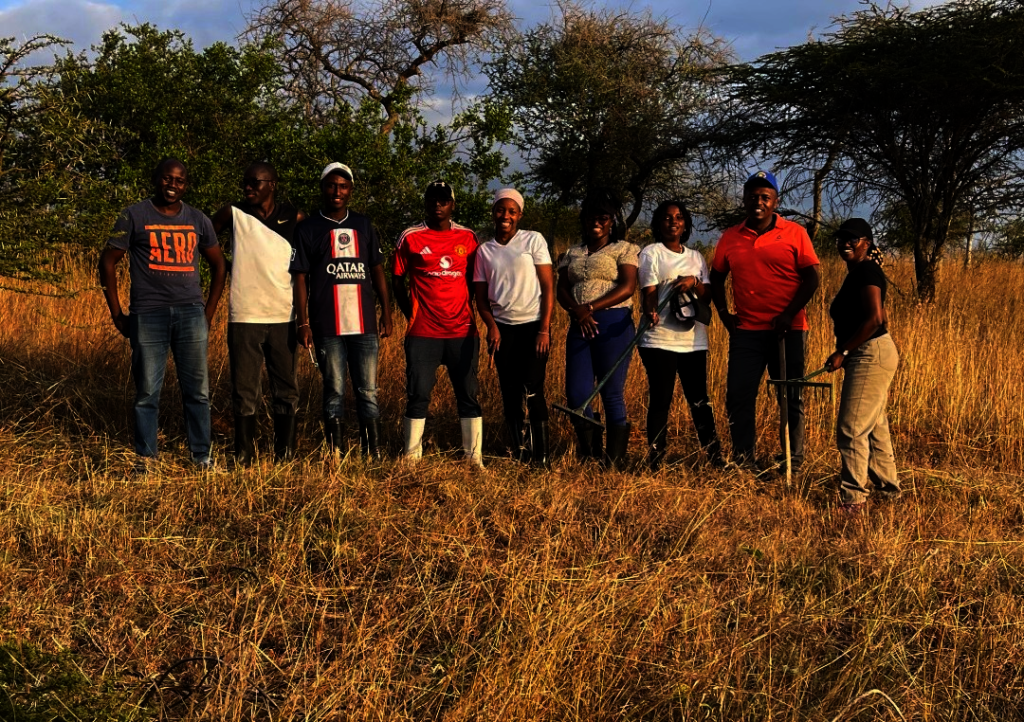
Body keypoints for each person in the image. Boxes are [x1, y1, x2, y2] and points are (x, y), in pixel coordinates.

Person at [98, 157, 227, 471]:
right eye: (167, 178)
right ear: (156, 179)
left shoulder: (198, 219)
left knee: (197, 391)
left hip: (190, 314)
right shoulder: (133, 215)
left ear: (186, 185)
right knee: (146, 392)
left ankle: (202, 457)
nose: (173, 185)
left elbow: (220, 264)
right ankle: (145, 459)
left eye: (180, 180)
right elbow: (107, 262)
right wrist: (117, 314)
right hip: (148, 314)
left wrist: (207, 313)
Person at [710, 171, 820, 472]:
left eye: (765, 197)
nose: (758, 202)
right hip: (747, 331)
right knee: (738, 396)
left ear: (775, 202)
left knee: (790, 396)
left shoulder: (794, 232)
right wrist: (723, 313)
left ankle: (792, 460)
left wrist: (789, 314)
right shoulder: (731, 237)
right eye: (753, 196)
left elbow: (812, 278)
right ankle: (745, 460)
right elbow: (717, 277)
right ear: (744, 200)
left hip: (788, 330)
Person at [290, 162, 393, 458]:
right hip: (327, 325)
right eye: (332, 185)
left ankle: (372, 453)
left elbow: (376, 270)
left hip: (364, 324)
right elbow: (300, 277)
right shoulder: (308, 227)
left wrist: (386, 312)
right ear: (323, 188)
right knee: (334, 389)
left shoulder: (362, 224)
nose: (337, 191)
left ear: (351, 191)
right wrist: (303, 321)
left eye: (343, 186)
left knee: (368, 390)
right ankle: (336, 454)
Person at [211, 162, 304, 466]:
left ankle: (285, 452)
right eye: (245, 183)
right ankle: (243, 452)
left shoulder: (295, 216)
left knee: (285, 387)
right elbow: (202, 241)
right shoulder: (233, 213)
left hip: (283, 315)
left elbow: (309, 261)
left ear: (272, 184)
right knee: (244, 387)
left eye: (255, 182)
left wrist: (306, 316)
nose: (247, 188)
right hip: (245, 314)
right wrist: (222, 265)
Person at [392, 180, 483, 467]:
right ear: (426, 202)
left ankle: (474, 459)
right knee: (418, 393)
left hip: (462, 331)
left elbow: (475, 279)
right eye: (432, 199)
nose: (438, 205)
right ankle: (411, 458)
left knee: (468, 393)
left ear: (452, 205)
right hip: (423, 333)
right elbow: (397, 279)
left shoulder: (468, 237)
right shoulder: (411, 237)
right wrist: (411, 313)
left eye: (443, 200)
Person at [556, 189, 639, 469]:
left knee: (611, 390)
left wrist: (591, 308)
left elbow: (628, 286)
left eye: (603, 217)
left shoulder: (624, 249)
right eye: (591, 217)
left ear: (612, 221)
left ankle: (614, 461)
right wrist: (577, 310)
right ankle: (590, 453)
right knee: (577, 393)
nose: (597, 222)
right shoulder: (573, 252)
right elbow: (562, 289)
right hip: (579, 323)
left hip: (613, 323)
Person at [637, 200, 723, 471]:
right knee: (660, 399)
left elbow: (707, 295)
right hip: (659, 338)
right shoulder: (651, 253)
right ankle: (656, 460)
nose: (673, 222)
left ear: (685, 224)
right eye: (666, 217)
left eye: (678, 218)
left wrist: (693, 282)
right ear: (658, 223)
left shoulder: (696, 257)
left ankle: (714, 457)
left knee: (699, 400)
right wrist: (650, 311)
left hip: (693, 341)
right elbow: (648, 295)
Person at [474, 188, 554, 466]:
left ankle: (541, 456)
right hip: (503, 329)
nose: (505, 216)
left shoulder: (533, 240)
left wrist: (544, 328)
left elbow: (547, 286)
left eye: (511, 211)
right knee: (509, 389)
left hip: (533, 326)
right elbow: (481, 298)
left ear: (519, 215)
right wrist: (491, 327)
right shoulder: (484, 251)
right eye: (500, 209)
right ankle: (519, 451)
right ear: (493, 212)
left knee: (533, 386)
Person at [826, 218, 900, 513]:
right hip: (868, 353)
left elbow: (876, 318)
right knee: (873, 425)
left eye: (852, 239)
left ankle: (853, 500)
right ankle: (888, 489)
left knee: (852, 427)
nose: (844, 243)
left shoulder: (867, 270)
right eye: (841, 238)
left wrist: (843, 350)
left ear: (866, 243)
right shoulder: (859, 271)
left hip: (870, 354)